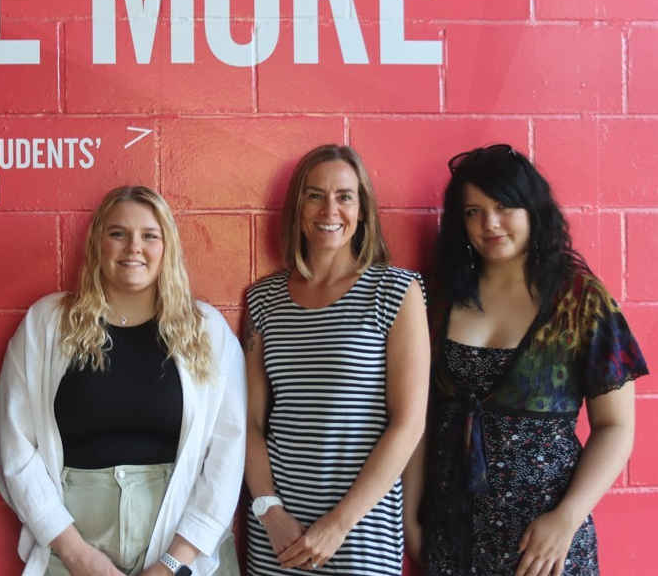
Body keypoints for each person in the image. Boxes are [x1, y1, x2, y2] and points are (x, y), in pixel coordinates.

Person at [404, 144, 648, 576]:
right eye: (473, 212)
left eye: (504, 207)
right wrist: (411, 516)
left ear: (533, 210)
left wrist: (568, 517)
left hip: (544, 545)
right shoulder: (440, 298)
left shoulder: (579, 299)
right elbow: (420, 419)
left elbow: (617, 427)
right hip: (453, 533)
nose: (489, 224)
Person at [0, 185, 246, 576]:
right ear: (97, 244)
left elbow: (227, 457)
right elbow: (16, 448)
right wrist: (78, 556)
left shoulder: (208, 332)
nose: (134, 247)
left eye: (150, 235)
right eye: (118, 234)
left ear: (168, 247)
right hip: (73, 544)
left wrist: (172, 563)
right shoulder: (46, 324)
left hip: (183, 550)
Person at [243, 145, 430, 576]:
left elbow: (409, 424)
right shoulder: (263, 300)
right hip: (278, 535)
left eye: (345, 196)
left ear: (362, 209)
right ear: (298, 208)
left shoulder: (397, 292)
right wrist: (270, 512)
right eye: (315, 195)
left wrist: (338, 523)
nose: (330, 209)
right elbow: (250, 423)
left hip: (360, 534)